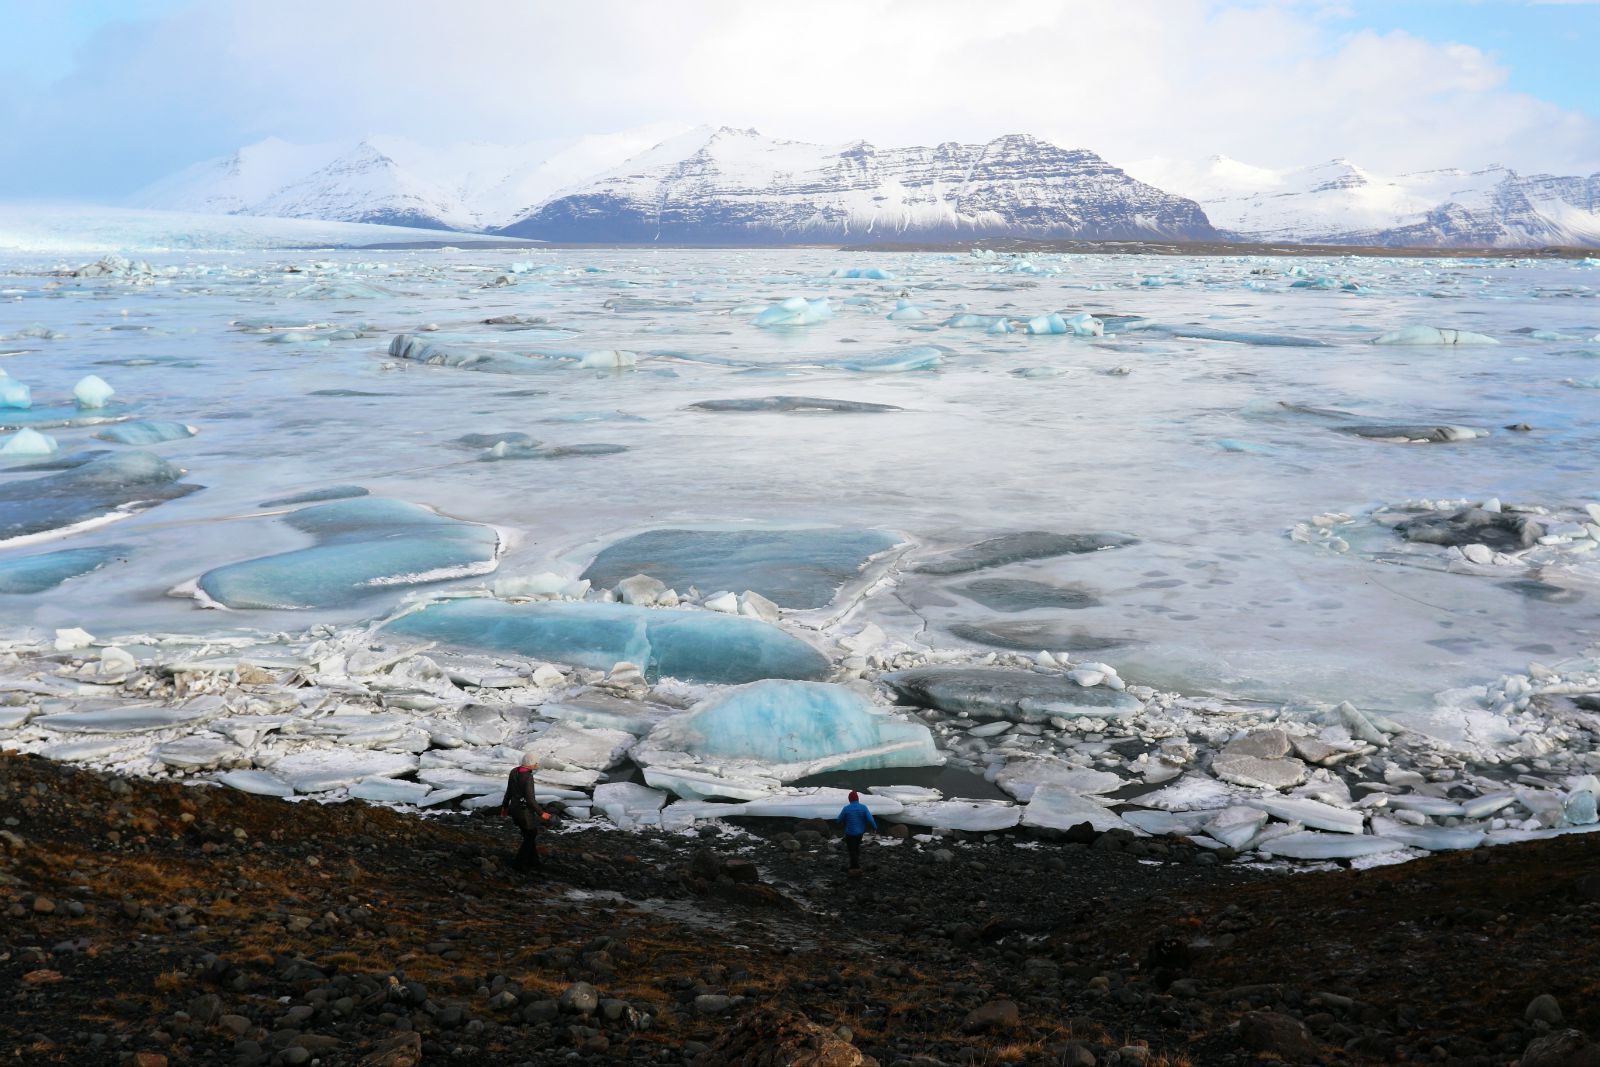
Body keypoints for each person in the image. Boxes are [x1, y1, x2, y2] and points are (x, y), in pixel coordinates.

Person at [500, 751, 549, 873]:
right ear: (531, 764)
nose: (538, 764)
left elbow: (509, 791)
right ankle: (519, 863)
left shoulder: (514, 771)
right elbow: (530, 799)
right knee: (531, 835)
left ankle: (534, 861)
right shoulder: (528, 777)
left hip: (514, 809)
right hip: (524, 811)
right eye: (536, 762)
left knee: (528, 835)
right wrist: (541, 813)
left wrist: (505, 807)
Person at [835, 790, 877, 875]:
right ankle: (854, 865)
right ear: (857, 799)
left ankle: (855, 867)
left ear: (849, 799)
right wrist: (874, 827)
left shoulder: (846, 808)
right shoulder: (863, 807)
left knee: (852, 850)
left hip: (850, 833)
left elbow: (839, 820)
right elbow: (870, 819)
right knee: (856, 848)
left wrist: (842, 822)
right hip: (860, 833)